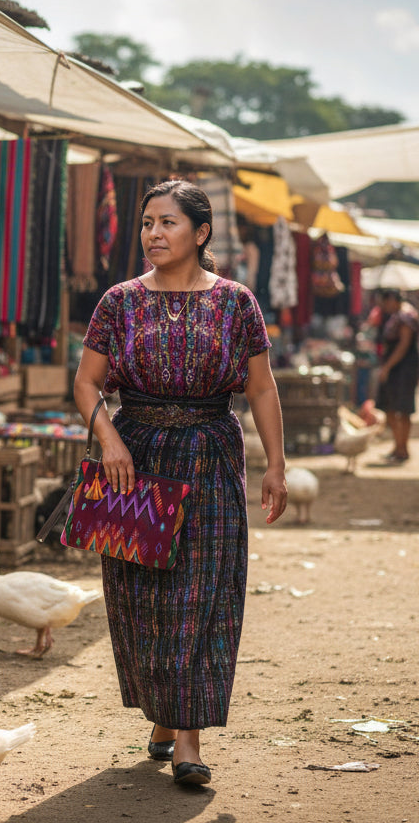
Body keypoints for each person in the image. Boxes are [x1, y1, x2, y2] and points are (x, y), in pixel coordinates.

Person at [73, 180, 288, 788]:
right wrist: (109, 438)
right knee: (140, 600)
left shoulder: (236, 302)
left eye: (167, 223)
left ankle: (187, 740)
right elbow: (86, 383)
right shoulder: (118, 301)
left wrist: (276, 463)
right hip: (134, 459)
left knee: (204, 595)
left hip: (212, 457)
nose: (153, 234)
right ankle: (163, 715)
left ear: (201, 233)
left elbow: (262, 388)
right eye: (147, 223)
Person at [374, 289, 419, 462]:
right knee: (391, 409)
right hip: (396, 369)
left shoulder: (406, 317)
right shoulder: (396, 316)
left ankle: (403, 448)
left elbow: (403, 345)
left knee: (403, 409)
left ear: (393, 300)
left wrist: (387, 367)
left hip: (403, 370)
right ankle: (398, 446)